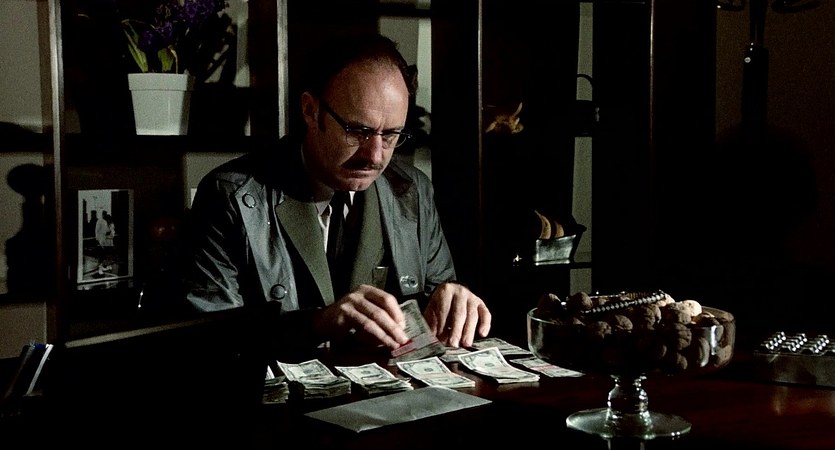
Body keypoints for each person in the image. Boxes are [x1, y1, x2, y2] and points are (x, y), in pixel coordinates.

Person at [182, 33, 491, 357]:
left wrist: (451, 301)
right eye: (358, 131)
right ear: (310, 110)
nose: (375, 156)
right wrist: (315, 325)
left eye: (391, 135)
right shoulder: (231, 198)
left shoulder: (412, 191)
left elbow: (436, 306)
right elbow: (211, 342)